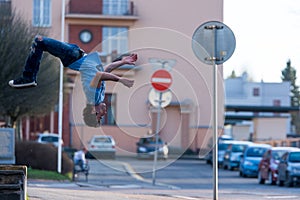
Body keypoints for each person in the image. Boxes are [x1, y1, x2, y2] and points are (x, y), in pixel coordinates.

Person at [8, 35, 138, 127]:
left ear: (94, 112)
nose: (105, 113)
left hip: (71, 56)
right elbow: (106, 69)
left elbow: (99, 75)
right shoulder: (99, 96)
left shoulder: (93, 97)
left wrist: (120, 80)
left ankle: (28, 77)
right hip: (75, 53)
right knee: (40, 42)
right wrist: (123, 61)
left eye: (101, 116)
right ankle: (29, 77)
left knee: (39, 41)